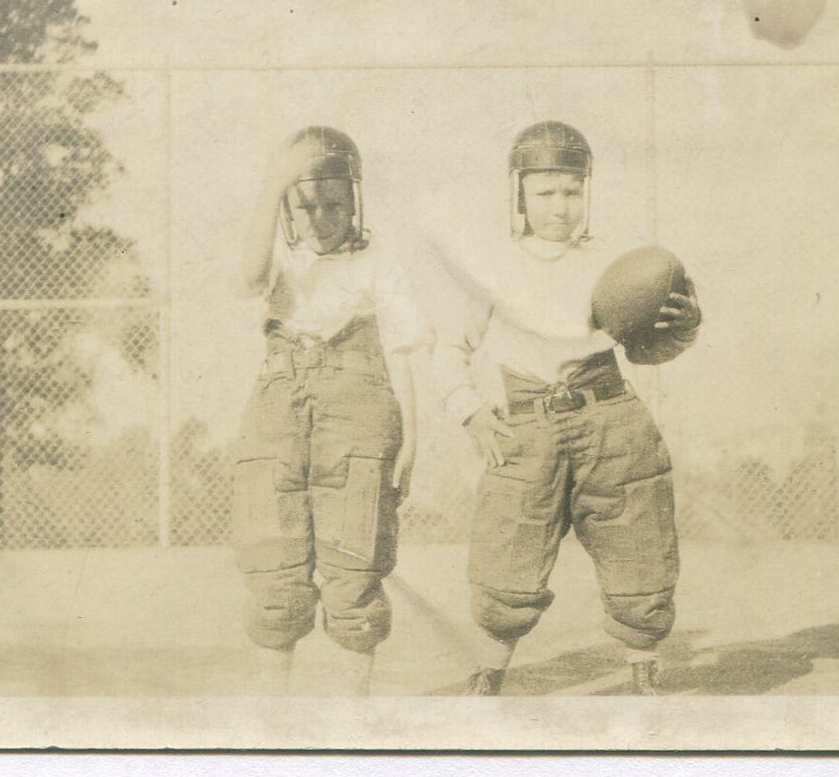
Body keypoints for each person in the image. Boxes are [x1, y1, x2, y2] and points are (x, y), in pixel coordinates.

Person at [430, 121, 701, 696]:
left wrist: (683, 326)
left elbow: (651, 348)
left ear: (588, 192)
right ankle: (491, 673)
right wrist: (471, 412)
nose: (560, 207)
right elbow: (448, 349)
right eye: (545, 192)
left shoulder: (611, 264)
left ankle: (644, 668)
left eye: (572, 191)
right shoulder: (490, 265)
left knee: (639, 547)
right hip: (526, 424)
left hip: (610, 415)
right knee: (507, 562)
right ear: (518, 193)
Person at [231, 126, 428, 696]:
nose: (322, 218)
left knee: (355, 565)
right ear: (287, 209)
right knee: (273, 566)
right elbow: (247, 277)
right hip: (278, 407)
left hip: (359, 408)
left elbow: (402, 348)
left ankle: (352, 721)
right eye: (307, 206)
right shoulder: (280, 263)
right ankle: (274, 721)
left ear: (356, 200)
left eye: (336, 204)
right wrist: (274, 185)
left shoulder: (378, 262)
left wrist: (411, 439)